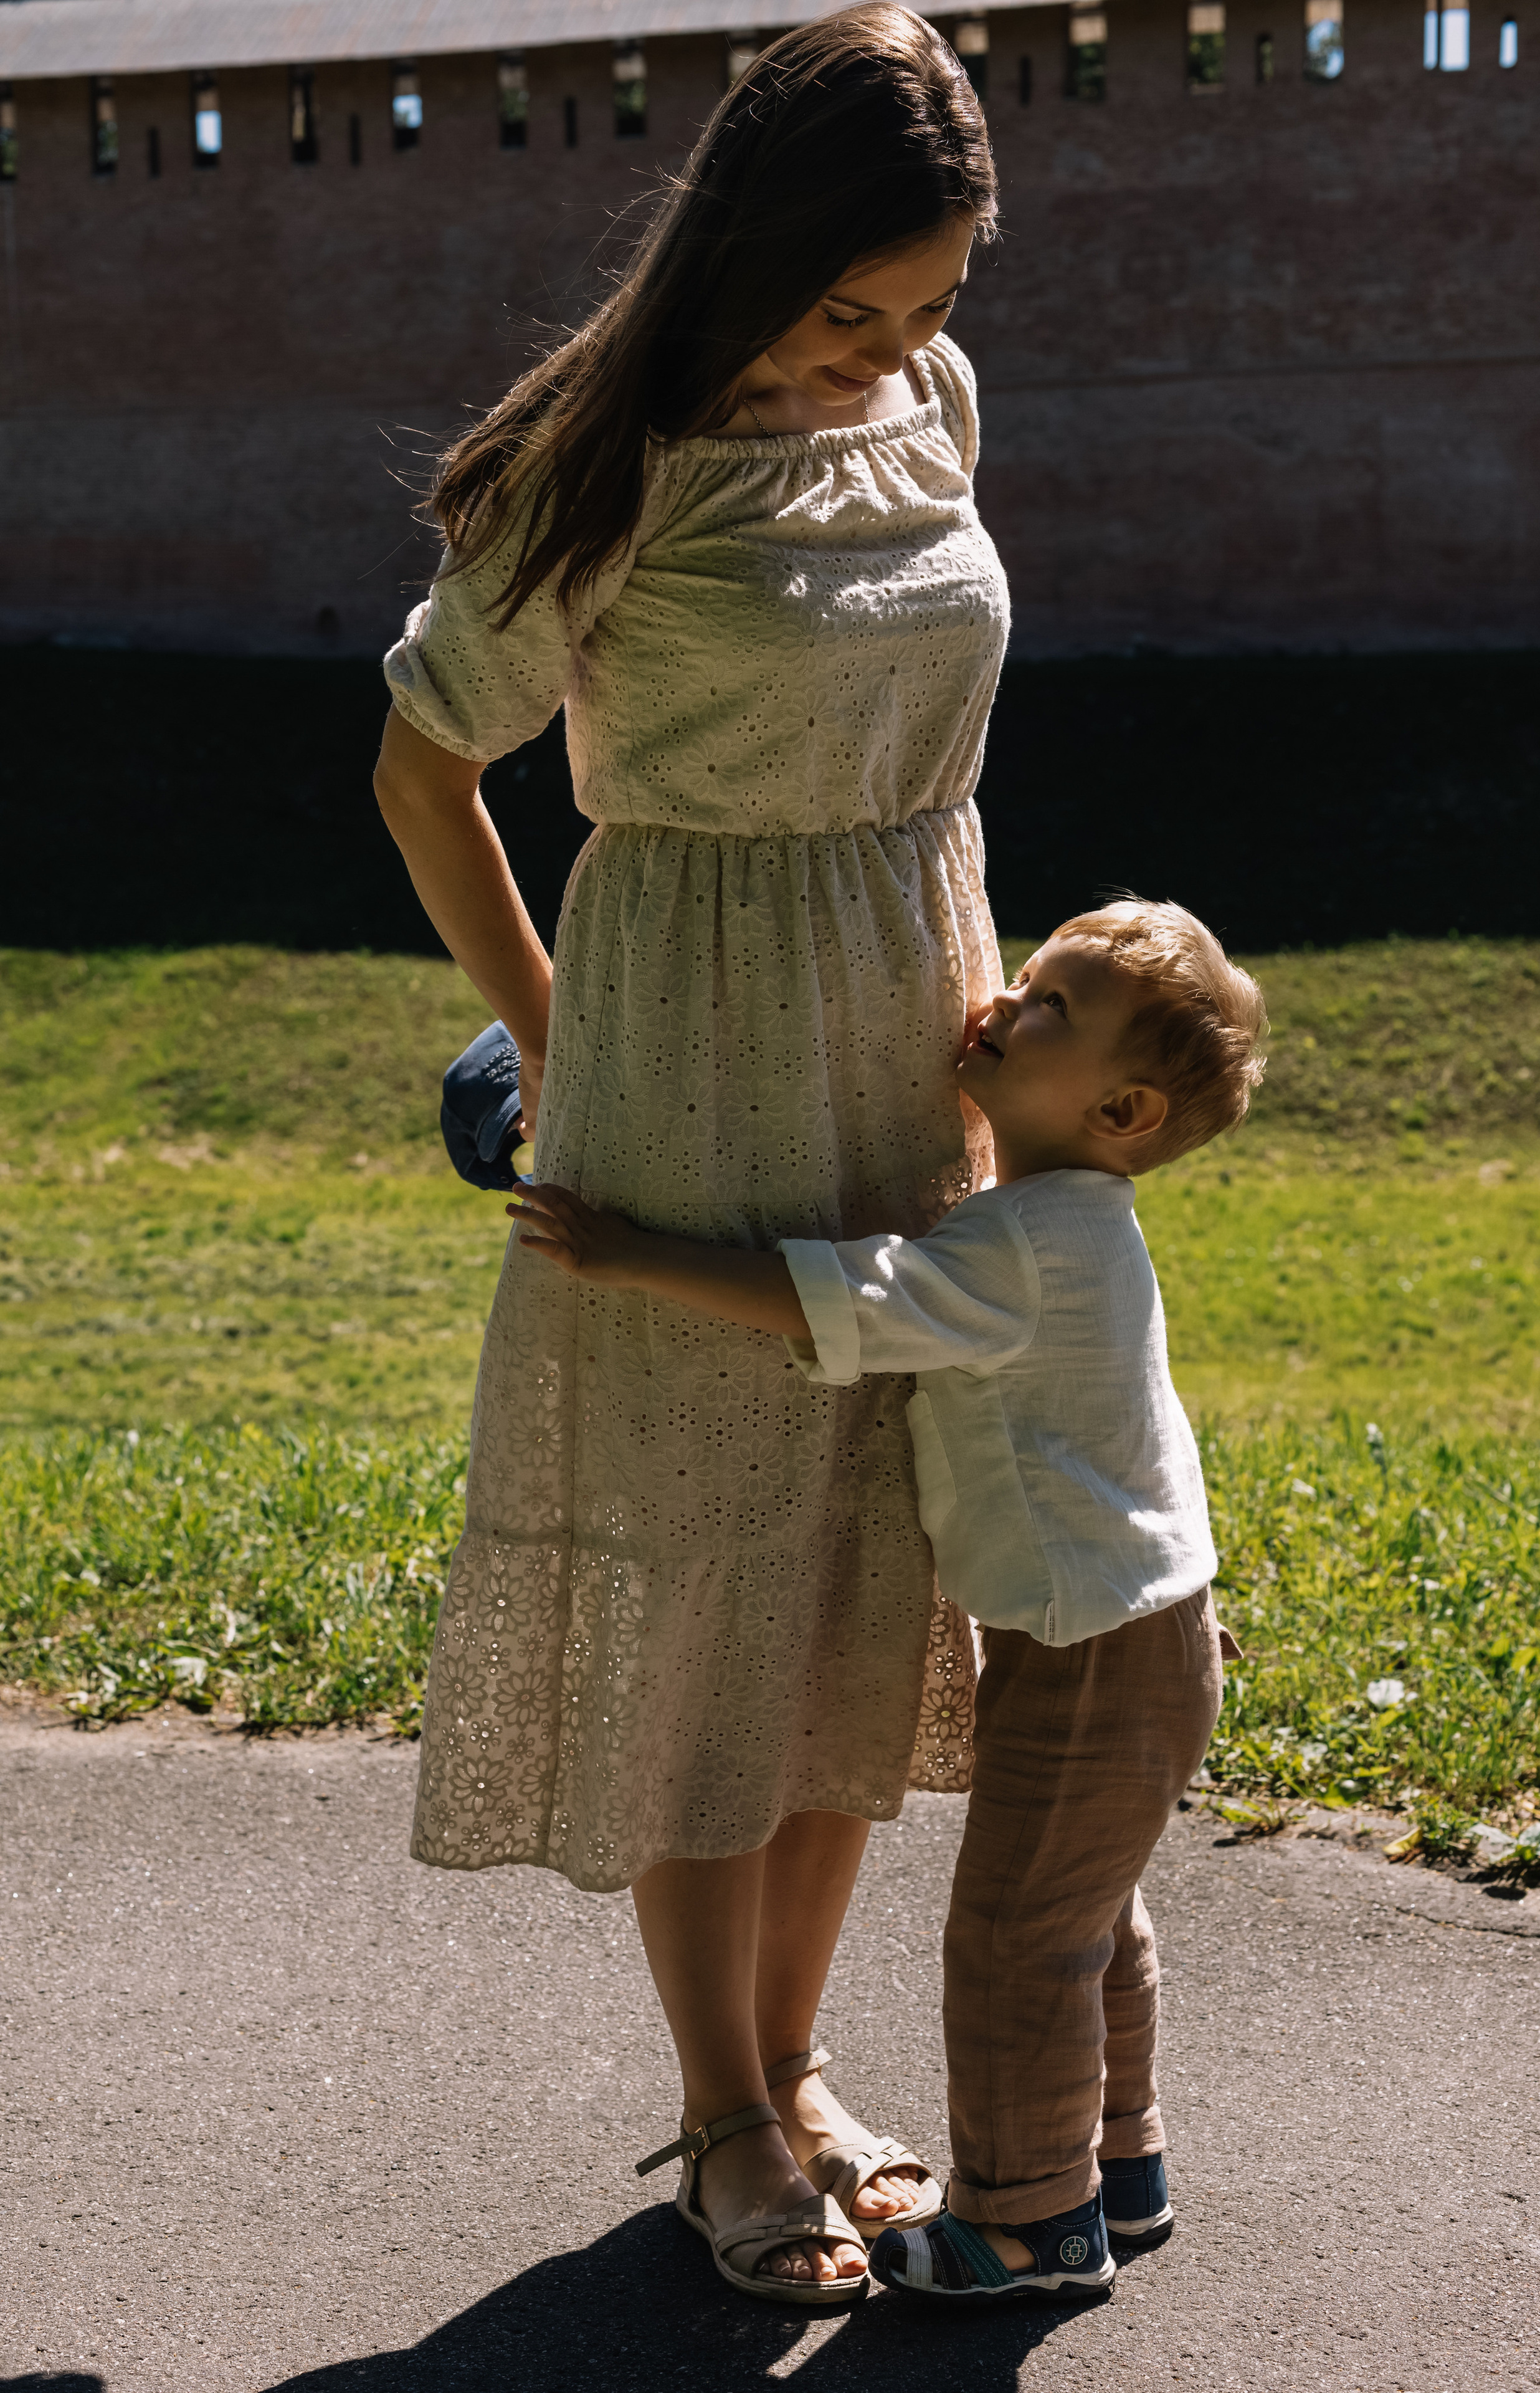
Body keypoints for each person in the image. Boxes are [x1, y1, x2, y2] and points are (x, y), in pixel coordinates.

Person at [373, 6, 1009, 2305]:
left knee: (863, 1588)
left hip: (913, 1048)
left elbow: (921, 738)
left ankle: (804, 2067)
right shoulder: (609, 468)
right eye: (853, 306)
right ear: (752, 246)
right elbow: (422, 769)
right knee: (714, 1599)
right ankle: (725, 2113)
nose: (891, 351)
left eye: (930, 306)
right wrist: (560, 1045)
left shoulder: (934, 405)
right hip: (693, 1072)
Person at [511, 898, 1267, 2303]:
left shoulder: (1019, 1248)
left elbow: (846, 1304)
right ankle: (1121, 2160)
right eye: (1026, 974)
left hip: (1091, 1651)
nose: (999, 1002)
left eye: (1047, 1006)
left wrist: (633, 1254)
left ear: (1120, 1109)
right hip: (1136, 1632)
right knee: (1087, 1913)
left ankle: (1032, 2224)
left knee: (1019, 1941)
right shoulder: (1071, 1224)